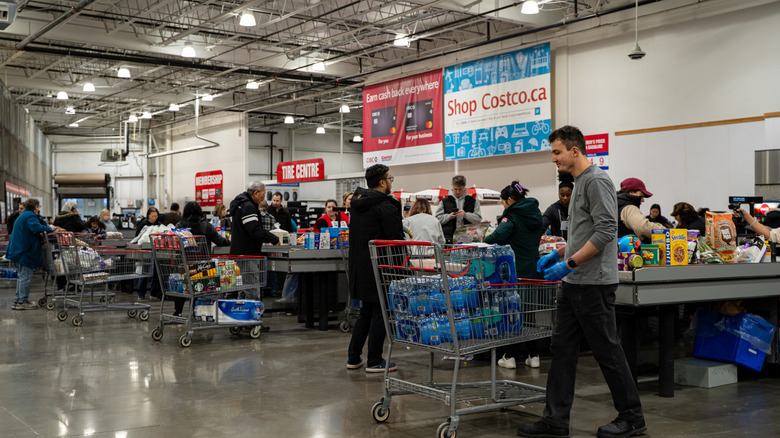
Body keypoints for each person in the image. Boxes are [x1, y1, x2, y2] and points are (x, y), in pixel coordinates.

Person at [517, 126, 646, 438]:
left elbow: (605, 231)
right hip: (575, 282)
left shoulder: (597, 181)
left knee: (607, 351)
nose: (554, 159)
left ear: (575, 151)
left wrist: (569, 263)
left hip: (595, 284)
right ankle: (555, 420)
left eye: (557, 152)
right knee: (561, 349)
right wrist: (559, 253)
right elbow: (583, 234)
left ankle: (632, 418)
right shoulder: (577, 184)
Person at [347, 164, 404, 373]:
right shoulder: (386, 206)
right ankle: (374, 360)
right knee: (381, 310)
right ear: (382, 182)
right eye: (390, 178)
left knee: (366, 311)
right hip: (379, 266)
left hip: (359, 266)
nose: (391, 182)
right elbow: (395, 239)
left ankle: (354, 357)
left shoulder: (358, 203)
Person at [485, 181, 546, 369]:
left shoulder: (511, 217)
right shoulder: (536, 216)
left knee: (513, 313)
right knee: (529, 313)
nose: (503, 206)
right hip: (533, 269)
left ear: (510, 200)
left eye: (503, 202)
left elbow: (493, 238)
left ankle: (509, 355)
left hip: (514, 271)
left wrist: (485, 238)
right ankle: (533, 355)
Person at [173, 201, 230, 316]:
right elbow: (219, 240)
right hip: (202, 263)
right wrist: (230, 242)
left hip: (183, 262)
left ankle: (178, 311)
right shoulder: (207, 225)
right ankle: (196, 311)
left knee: (182, 286)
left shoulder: (179, 225)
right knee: (199, 287)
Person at [6, 198, 53, 310]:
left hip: (18, 250)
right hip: (23, 251)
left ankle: (18, 300)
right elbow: (36, 228)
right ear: (36, 206)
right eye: (38, 207)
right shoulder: (30, 216)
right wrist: (50, 228)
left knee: (22, 276)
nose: (38, 209)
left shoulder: (24, 215)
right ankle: (22, 301)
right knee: (26, 276)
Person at [229, 181, 280, 256]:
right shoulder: (248, 207)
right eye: (263, 194)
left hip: (239, 252)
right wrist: (273, 238)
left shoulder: (241, 204)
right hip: (246, 254)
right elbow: (255, 231)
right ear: (256, 193)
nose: (263, 198)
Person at [435, 175, 482, 244]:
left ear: (464, 188)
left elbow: (478, 219)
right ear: (452, 187)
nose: (457, 192)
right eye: (455, 189)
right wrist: (448, 217)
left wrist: (466, 215)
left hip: (468, 240)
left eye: (460, 189)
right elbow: (437, 220)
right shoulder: (444, 201)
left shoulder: (473, 201)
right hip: (448, 240)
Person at [616, 177, 663, 242]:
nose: (643, 200)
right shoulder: (629, 208)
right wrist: (665, 231)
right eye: (641, 196)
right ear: (631, 193)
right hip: (629, 250)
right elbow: (642, 227)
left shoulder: (616, 205)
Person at [136, 207, 162, 300]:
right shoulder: (143, 225)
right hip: (144, 251)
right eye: (152, 216)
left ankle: (153, 294)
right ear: (148, 216)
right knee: (143, 272)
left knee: (155, 273)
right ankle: (141, 293)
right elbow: (137, 236)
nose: (154, 218)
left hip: (156, 252)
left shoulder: (159, 225)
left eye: (156, 216)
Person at [542, 172, 574, 238]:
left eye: (568, 195)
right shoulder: (552, 209)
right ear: (558, 193)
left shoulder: (578, 207)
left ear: (573, 194)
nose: (565, 198)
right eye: (562, 195)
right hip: (558, 245)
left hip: (576, 245)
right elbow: (542, 225)